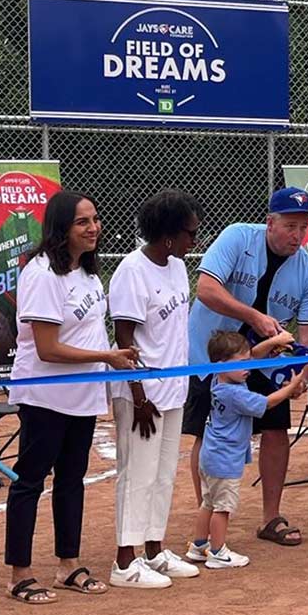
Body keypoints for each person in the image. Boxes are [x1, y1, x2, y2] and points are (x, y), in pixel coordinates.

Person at [4, 191, 138, 604]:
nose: (93, 228)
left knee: (71, 481)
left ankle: (68, 565)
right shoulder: (42, 274)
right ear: (62, 228)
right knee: (29, 481)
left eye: (95, 219)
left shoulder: (89, 274)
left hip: (82, 396)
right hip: (45, 394)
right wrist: (106, 357)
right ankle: (20, 574)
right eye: (83, 222)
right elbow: (48, 348)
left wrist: (105, 361)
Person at [184, 187, 308, 548]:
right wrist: (255, 318)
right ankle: (209, 514)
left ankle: (270, 517)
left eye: (303, 228)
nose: (297, 235)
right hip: (210, 355)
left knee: (276, 427)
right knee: (208, 431)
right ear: (270, 223)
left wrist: (302, 373)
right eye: (290, 226)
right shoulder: (237, 237)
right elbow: (206, 290)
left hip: (264, 362)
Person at [107, 191, 204, 589]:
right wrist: (139, 396)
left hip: (173, 387)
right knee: (138, 474)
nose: (194, 242)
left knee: (164, 474)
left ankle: (153, 550)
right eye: (189, 233)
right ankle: (124, 562)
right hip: (141, 394)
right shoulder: (132, 271)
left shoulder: (178, 268)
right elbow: (124, 340)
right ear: (167, 235)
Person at [187, 330, 308, 569]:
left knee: (208, 503)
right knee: (223, 507)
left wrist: (273, 342)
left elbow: (252, 357)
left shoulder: (216, 379)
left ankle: (199, 545)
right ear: (222, 365)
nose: (248, 368)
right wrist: (292, 385)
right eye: (242, 364)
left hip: (210, 456)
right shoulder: (235, 394)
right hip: (225, 460)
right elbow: (268, 403)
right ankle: (218, 551)